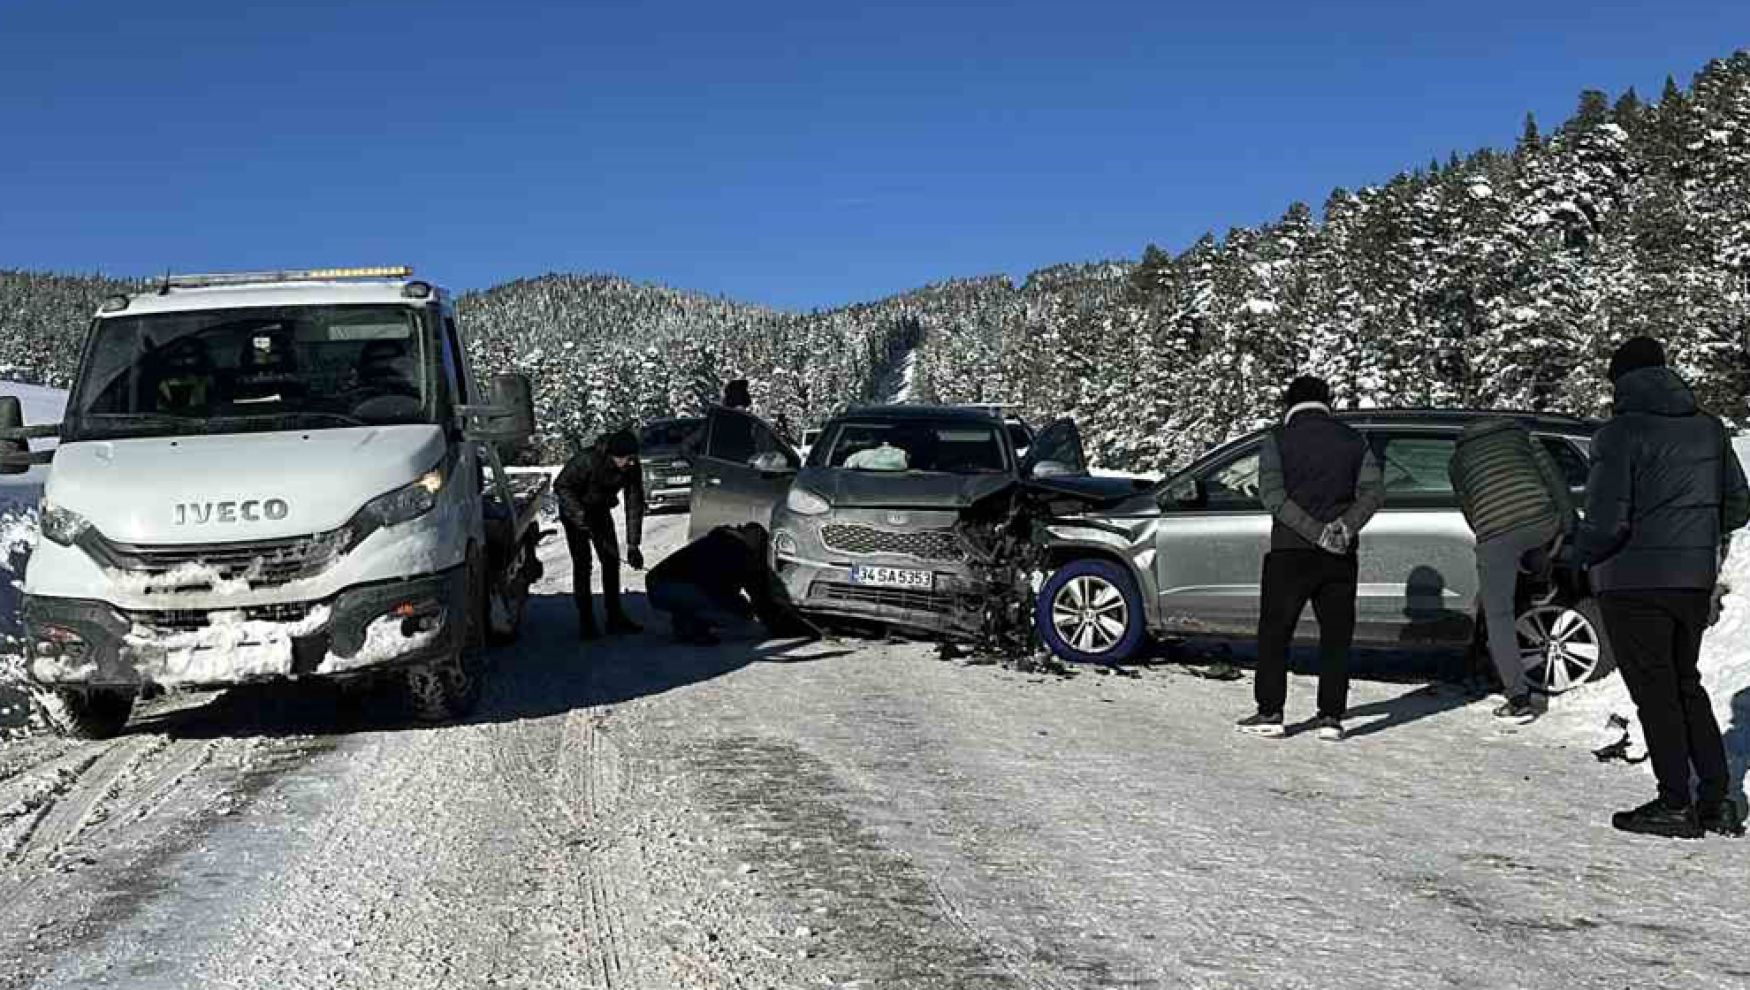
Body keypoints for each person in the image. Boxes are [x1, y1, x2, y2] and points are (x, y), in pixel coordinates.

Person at [1578, 336, 1749, 839]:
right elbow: (1739, 506)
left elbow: (1608, 521)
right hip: (1691, 580)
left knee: (1654, 690)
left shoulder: (1618, 434)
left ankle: (1675, 800)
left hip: (1633, 580)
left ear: (1620, 382)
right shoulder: (1710, 430)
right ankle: (1716, 799)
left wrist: (1577, 554)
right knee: (1685, 683)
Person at [1237, 375, 1385, 741]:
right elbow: (1373, 492)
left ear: (1290, 404)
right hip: (1340, 554)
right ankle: (1331, 717)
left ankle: (1271, 712)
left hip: (1289, 550)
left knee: (1275, 633)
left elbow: (1272, 495)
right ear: (1326, 403)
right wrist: (1343, 528)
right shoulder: (1355, 440)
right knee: (1336, 636)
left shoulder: (1278, 440)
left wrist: (1312, 531)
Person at [1448, 417, 1577, 721]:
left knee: (1498, 615)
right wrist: (1567, 526)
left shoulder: (1457, 460)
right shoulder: (1524, 437)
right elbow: (1554, 479)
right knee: (1544, 543)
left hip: (1496, 533)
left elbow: (1469, 509)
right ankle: (1542, 581)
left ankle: (1518, 699)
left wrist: (1489, 540)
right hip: (1540, 518)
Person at [646, 523, 817, 644]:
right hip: (675, 588)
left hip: (656, 585)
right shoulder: (743, 555)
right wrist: (787, 627)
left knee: (706, 595)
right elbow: (760, 598)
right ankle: (691, 626)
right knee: (739, 614)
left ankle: (685, 622)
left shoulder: (717, 540)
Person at [554, 429, 646, 639]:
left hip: (600, 511)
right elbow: (561, 486)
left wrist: (633, 545)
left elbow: (634, 504)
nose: (631, 463)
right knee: (583, 564)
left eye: (634, 458)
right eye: (627, 459)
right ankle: (586, 620)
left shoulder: (632, 467)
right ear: (614, 455)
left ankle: (615, 617)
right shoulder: (586, 460)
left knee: (611, 560)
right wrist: (579, 515)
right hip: (574, 513)